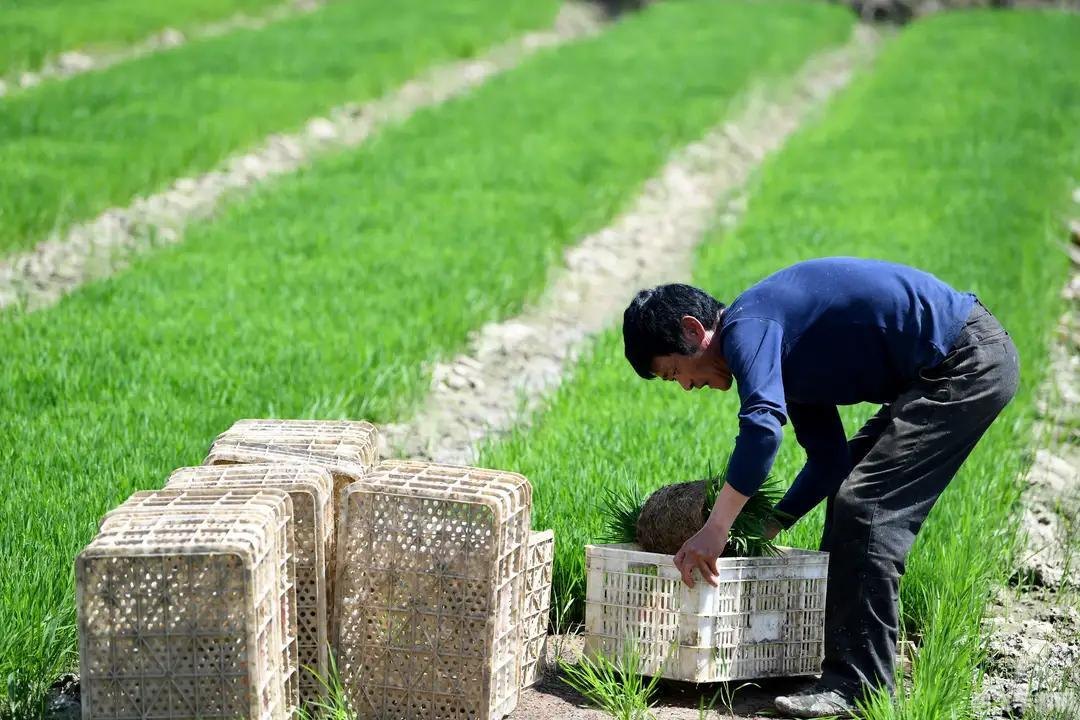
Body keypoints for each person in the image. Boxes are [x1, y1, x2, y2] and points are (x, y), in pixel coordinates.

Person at [621, 257, 1019, 718]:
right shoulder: (775, 346)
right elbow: (831, 461)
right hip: (948, 366)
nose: (686, 387)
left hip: (965, 361)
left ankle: (860, 689)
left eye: (674, 373)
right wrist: (773, 524)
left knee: (866, 508)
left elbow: (762, 430)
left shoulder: (749, 327)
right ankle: (847, 673)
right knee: (853, 490)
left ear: (693, 331)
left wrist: (717, 526)